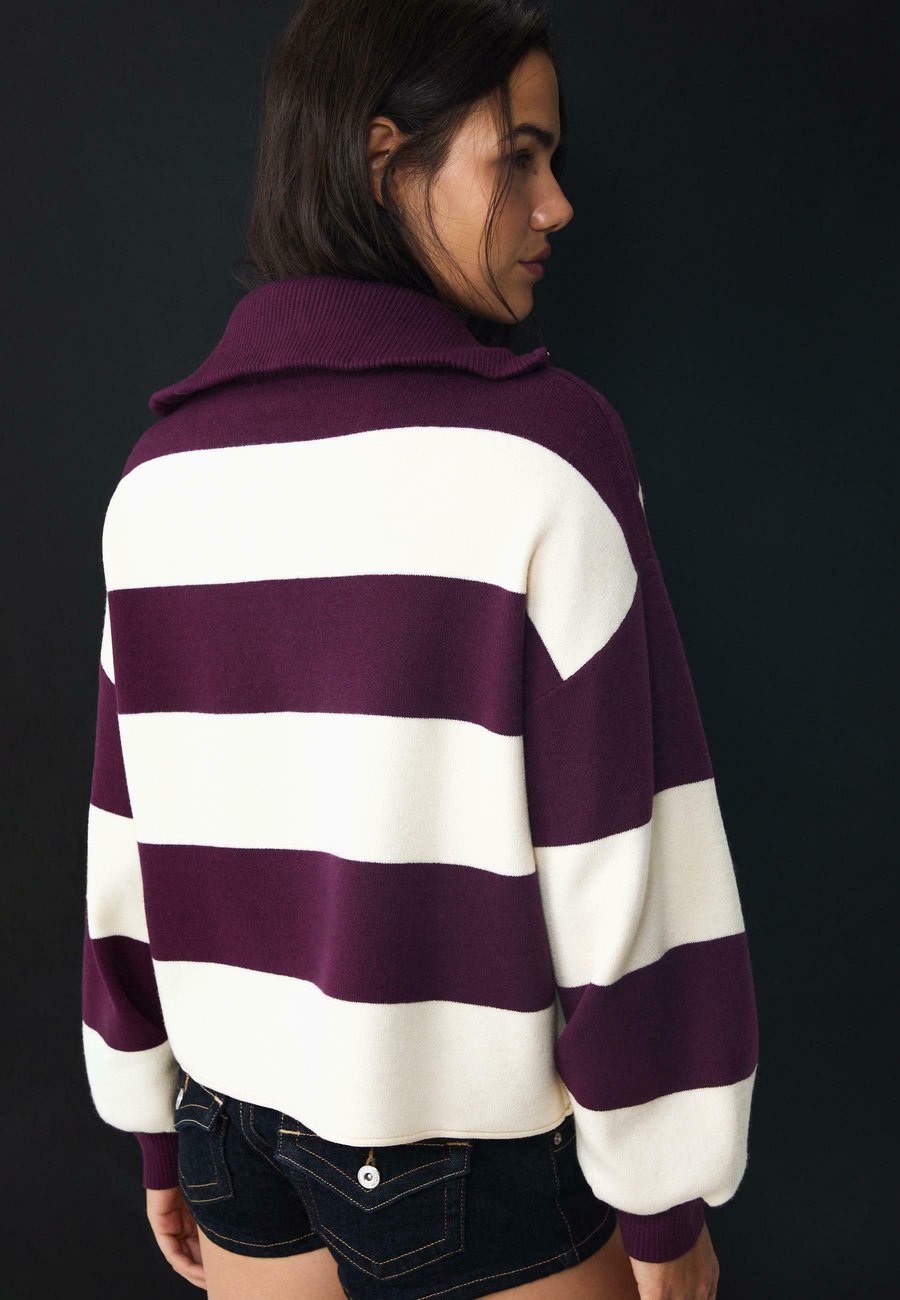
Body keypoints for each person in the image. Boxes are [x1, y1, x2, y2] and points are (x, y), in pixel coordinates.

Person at [81, 3, 758, 1298]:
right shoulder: (542, 456)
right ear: (386, 159)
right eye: (521, 157)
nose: (557, 207)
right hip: (474, 1157)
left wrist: (149, 1116)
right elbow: (628, 861)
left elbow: (128, 844)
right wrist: (665, 1203)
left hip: (229, 1129)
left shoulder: (156, 479)